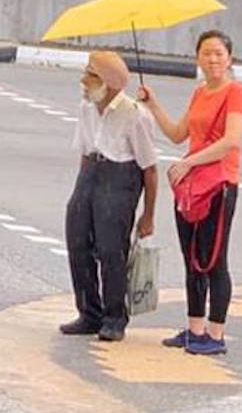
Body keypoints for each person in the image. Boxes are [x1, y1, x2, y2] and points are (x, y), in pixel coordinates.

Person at [138, 30, 242, 355]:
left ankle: (215, 334)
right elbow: (176, 133)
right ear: (197, 58)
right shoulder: (200, 92)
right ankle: (195, 327)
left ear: (229, 58)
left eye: (218, 53)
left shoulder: (236, 92)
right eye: (206, 53)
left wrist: (189, 163)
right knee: (192, 259)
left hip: (220, 183)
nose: (213, 59)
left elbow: (231, 140)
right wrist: (153, 103)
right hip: (194, 186)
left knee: (214, 259)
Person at [60, 51, 158, 342]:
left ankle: (114, 316)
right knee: (77, 241)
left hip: (120, 179)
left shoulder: (135, 115)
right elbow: (84, 152)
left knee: (111, 250)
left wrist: (148, 214)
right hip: (91, 173)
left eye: (91, 76)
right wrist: (81, 191)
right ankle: (89, 312)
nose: (84, 81)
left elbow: (149, 170)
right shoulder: (87, 108)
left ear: (110, 82)